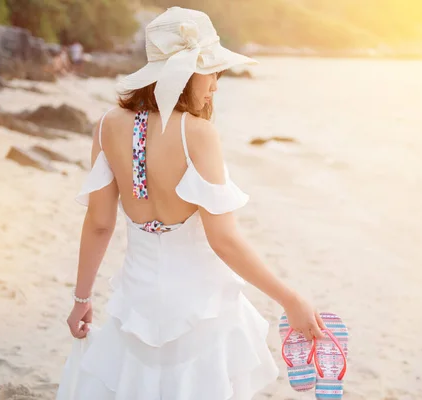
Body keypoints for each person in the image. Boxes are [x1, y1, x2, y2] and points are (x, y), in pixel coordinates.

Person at [56, 7, 325, 399]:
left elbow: (100, 223)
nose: (216, 83)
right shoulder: (197, 133)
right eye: (210, 70)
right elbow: (224, 240)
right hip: (201, 309)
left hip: (136, 304)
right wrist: (291, 300)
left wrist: (81, 298)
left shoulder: (106, 126)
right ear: (180, 72)